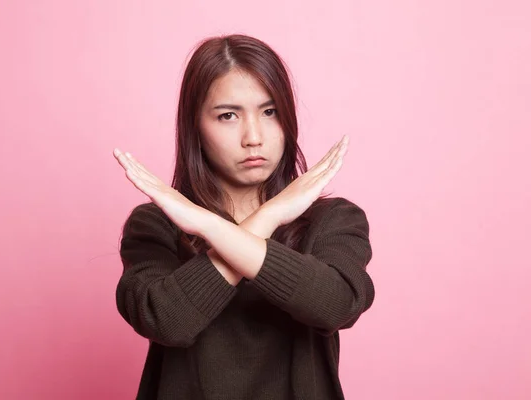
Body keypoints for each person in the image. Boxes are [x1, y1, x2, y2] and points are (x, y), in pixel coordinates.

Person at [112, 34, 375, 400]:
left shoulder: (332, 219)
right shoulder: (156, 225)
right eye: (228, 116)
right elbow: (166, 320)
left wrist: (226, 224)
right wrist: (264, 218)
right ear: (195, 128)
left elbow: (336, 306)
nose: (254, 137)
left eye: (270, 112)